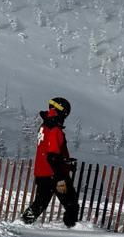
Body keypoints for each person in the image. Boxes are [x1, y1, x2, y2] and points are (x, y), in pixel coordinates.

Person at [21, 96, 80, 228]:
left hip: (42, 173)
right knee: (71, 204)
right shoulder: (55, 130)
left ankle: (24, 223)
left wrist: (65, 161)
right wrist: (60, 177)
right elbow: (52, 156)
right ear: (63, 113)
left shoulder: (44, 126)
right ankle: (74, 230)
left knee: (39, 203)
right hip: (55, 174)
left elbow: (45, 151)